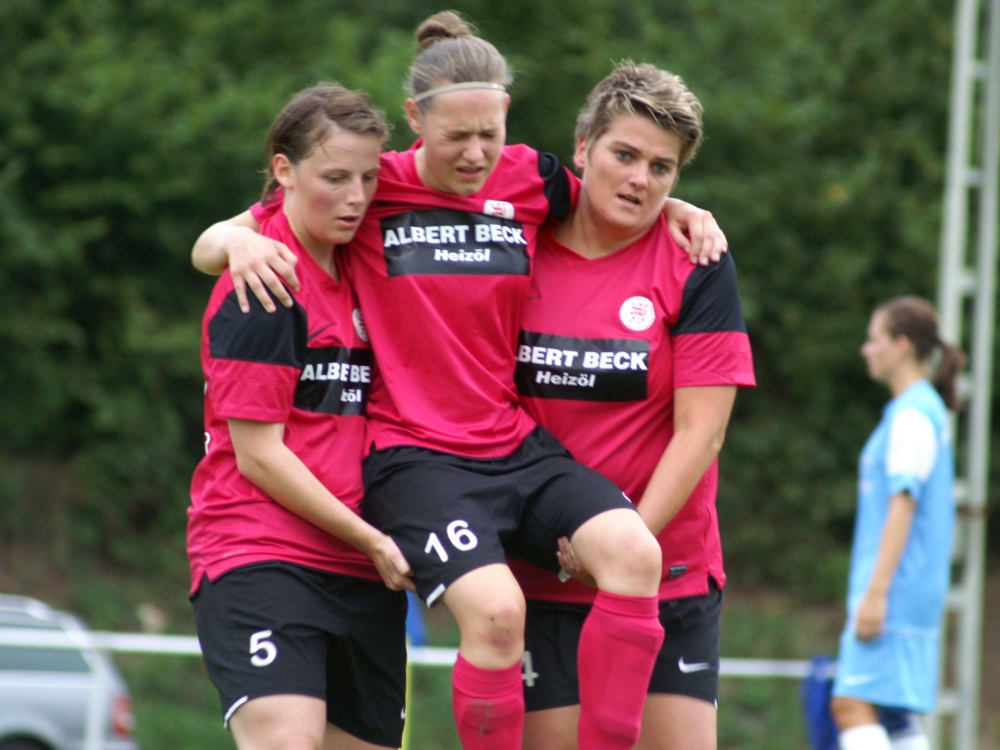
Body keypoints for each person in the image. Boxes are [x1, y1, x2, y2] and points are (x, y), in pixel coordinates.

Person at [192, 13, 727, 750]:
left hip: (512, 444)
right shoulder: (370, 184)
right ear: (416, 121)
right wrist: (233, 242)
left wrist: (686, 210)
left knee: (637, 555)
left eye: (490, 134)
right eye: (457, 137)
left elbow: (619, 191)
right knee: (499, 614)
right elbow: (228, 235)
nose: (476, 154)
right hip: (415, 457)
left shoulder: (531, 178)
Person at [507, 63, 755, 750]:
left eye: (661, 168)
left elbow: (701, 434)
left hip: (665, 577)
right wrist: (242, 233)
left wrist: (626, 549)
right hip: (545, 576)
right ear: (583, 148)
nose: (640, 179)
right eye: (625, 155)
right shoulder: (518, 246)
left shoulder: (697, 262)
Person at [187, 84, 414, 750]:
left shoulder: (369, 258)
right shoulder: (262, 282)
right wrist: (374, 539)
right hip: (262, 553)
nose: (356, 197)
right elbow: (259, 456)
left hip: (361, 571)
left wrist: (676, 209)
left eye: (368, 178)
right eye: (335, 178)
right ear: (283, 171)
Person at [830, 297, 964, 750]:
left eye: (875, 339)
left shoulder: (912, 415)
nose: (866, 349)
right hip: (906, 588)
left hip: (896, 590)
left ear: (901, 345)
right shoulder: (919, 410)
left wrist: (876, 592)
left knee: (850, 704)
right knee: (893, 714)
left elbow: (902, 506)